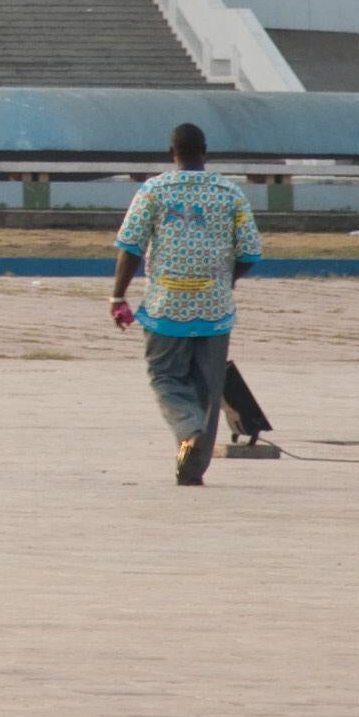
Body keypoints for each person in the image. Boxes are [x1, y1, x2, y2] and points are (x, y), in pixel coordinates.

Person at [111, 121, 262, 486]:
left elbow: (130, 247)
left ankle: (188, 432)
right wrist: (225, 281)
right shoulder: (230, 194)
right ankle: (192, 468)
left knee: (165, 378)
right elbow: (251, 252)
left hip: (166, 307)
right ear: (205, 152)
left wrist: (118, 295)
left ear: (171, 154)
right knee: (206, 391)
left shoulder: (153, 191)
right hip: (215, 310)